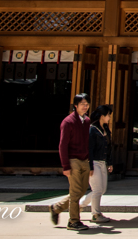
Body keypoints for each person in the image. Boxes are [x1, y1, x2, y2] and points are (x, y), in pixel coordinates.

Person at [50, 93, 92, 231]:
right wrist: (65, 166)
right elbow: (62, 145)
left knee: (82, 189)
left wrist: (90, 163)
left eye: (87, 104)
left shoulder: (86, 121)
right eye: (82, 104)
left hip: (84, 159)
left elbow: (87, 142)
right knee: (75, 192)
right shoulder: (67, 122)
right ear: (75, 105)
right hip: (72, 160)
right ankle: (73, 221)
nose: (85, 107)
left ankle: (57, 207)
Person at [83, 104, 114, 224]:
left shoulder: (105, 129)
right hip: (94, 161)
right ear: (102, 116)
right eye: (108, 115)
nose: (109, 118)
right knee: (97, 189)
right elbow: (89, 149)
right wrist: (90, 166)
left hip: (103, 161)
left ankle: (82, 205)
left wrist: (109, 162)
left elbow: (109, 147)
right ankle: (96, 214)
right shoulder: (92, 129)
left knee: (102, 189)